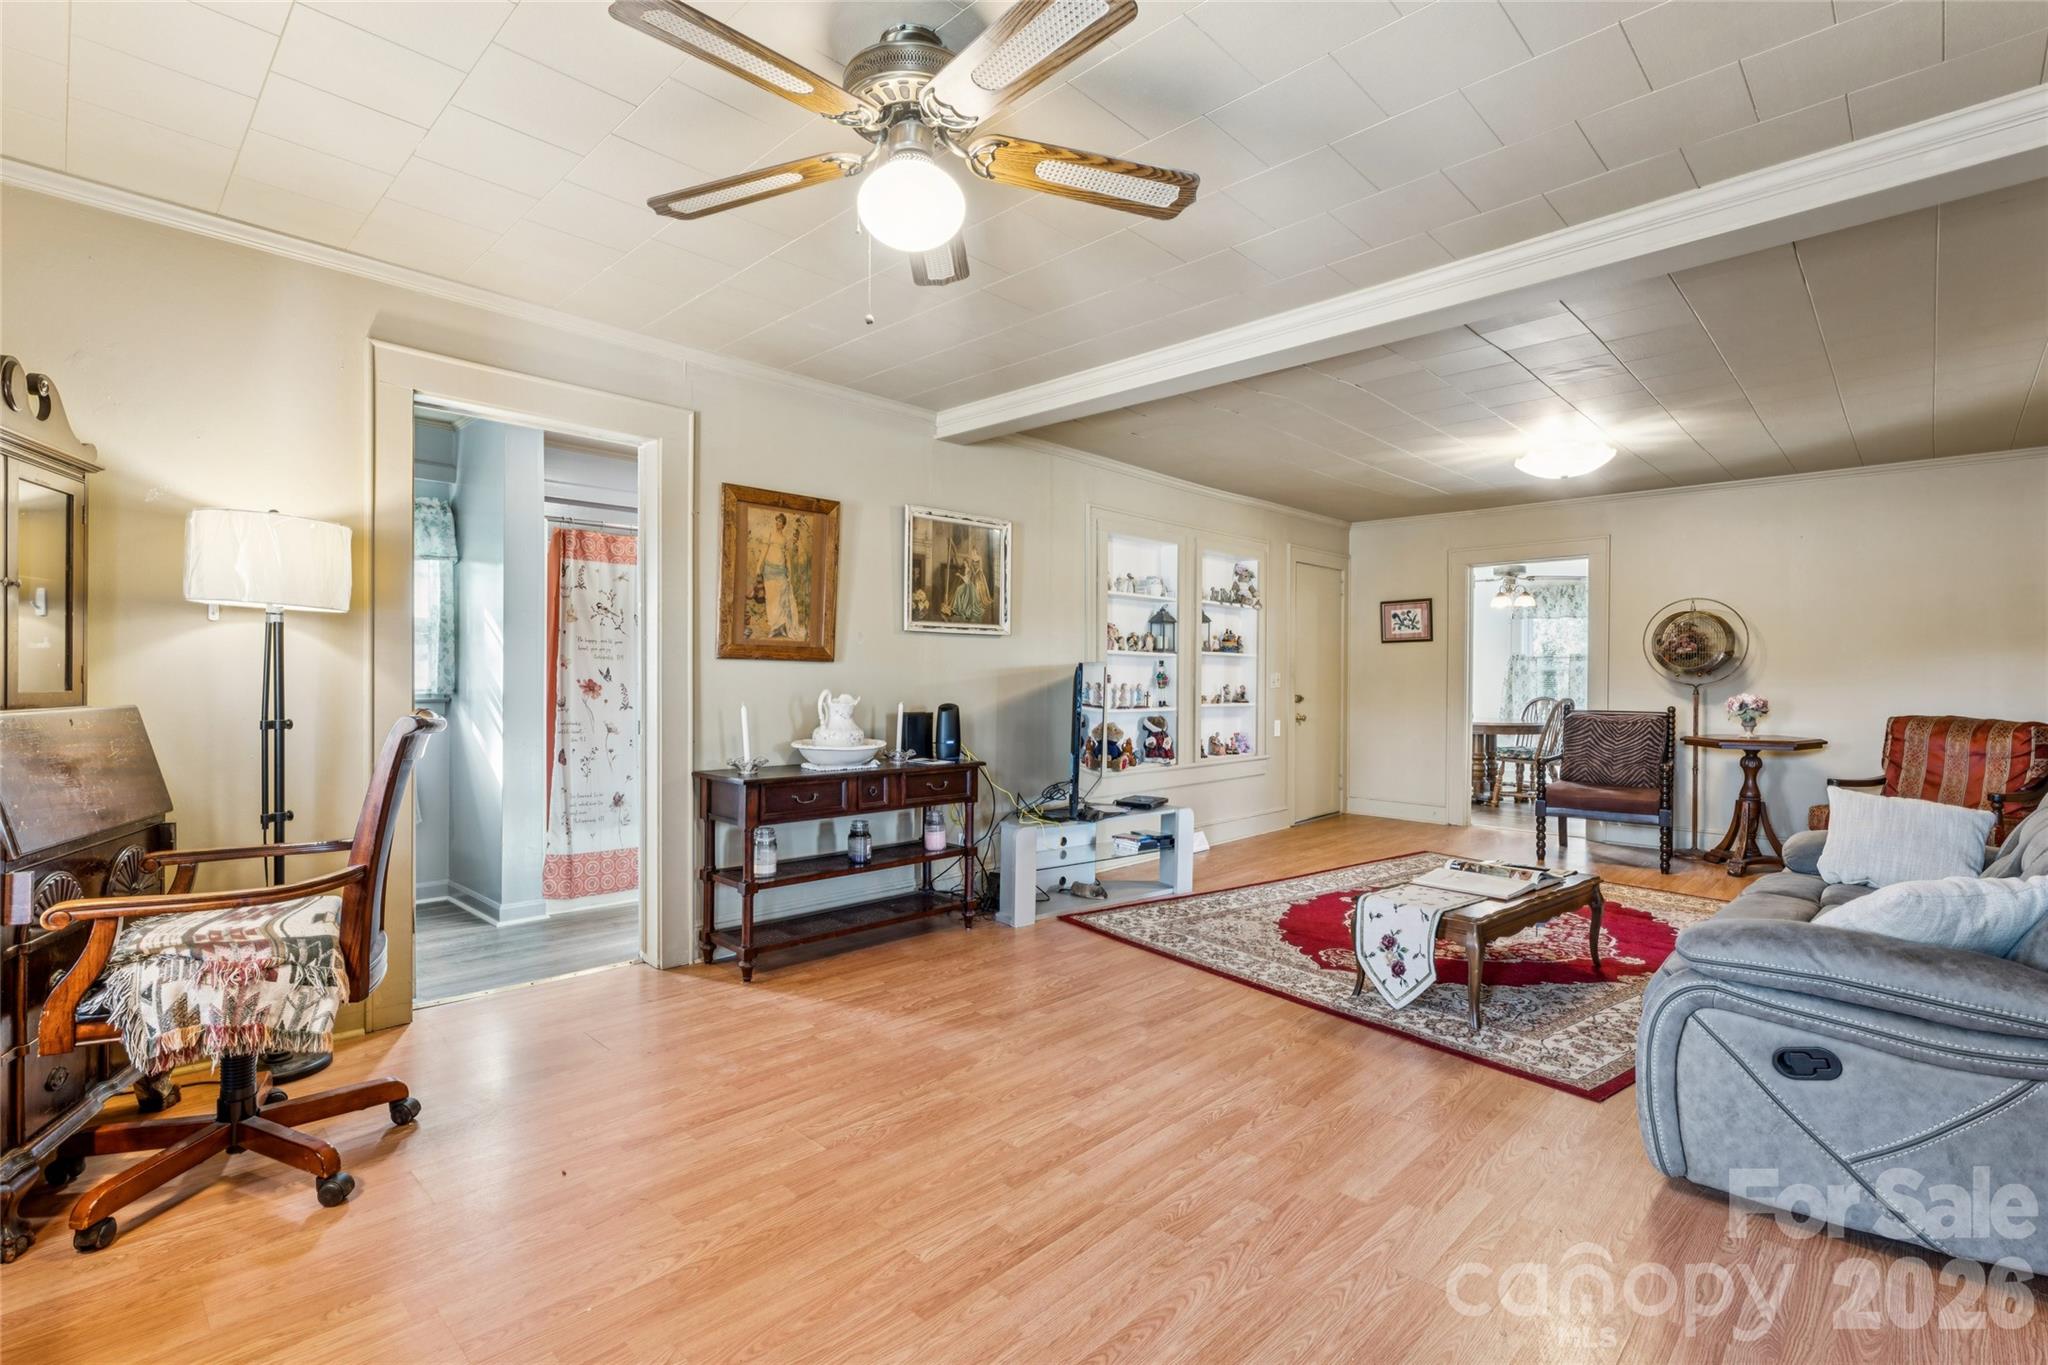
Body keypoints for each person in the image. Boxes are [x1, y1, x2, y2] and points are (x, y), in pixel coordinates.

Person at [751, 512, 800, 639]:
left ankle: (782, 626)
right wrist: (758, 567)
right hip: (769, 570)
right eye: (777, 521)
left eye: (780, 522)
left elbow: (787, 556)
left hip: (781, 571)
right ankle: (774, 627)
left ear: (783, 525)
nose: (778, 523)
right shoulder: (770, 534)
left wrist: (789, 570)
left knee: (782, 599)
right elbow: (764, 551)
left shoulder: (784, 539)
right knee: (772, 598)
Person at [948, 531, 991, 623]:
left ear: (976, 551)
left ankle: (978, 600)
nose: (973, 553)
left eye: (974, 551)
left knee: (978, 586)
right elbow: (970, 566)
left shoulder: (979, 557)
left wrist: (978, 571)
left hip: (978, 573)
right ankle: (969, 601)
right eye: (972, 552)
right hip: (972, 573)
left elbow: (981, 567)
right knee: (968, 585)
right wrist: (971, 571)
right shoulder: (971, 558)